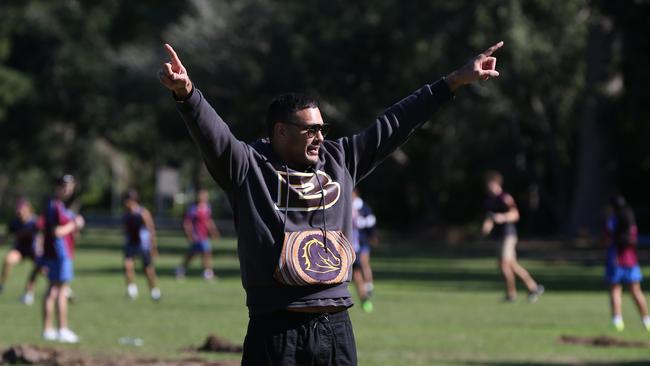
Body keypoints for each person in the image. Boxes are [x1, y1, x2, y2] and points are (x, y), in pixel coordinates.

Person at [159, 40, 504, 365]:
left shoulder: (341, 160)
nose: (320, 137)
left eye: (322, 128)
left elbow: (395, 123)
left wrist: (454, 82)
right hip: (276, 328)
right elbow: (213, 135)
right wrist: (187, 94)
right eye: (310, 130)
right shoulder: (247, 167)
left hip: (336, 326)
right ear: (281, 131)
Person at [481, 171, 544, 303]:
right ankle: (533, 287)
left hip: (508, 235)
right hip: (499, 236)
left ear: (496, 183)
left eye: (490, 184)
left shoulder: (505, 198)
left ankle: (511, 294)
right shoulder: (488, 201)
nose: (489, 187)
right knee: (512, 265)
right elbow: (489, 219)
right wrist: (485, 230)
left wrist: (502, 218)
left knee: (505, 264)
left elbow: (515, 214)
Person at [41, 174, 84, 343]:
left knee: (52, 291)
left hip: (57, 253)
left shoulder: (58, 206)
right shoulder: (56, 206)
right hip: (60, 254)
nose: (68, 190)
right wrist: (75, 224)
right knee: (61, 291)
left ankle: (48, 330)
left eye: (70, 186)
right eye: (65, 186)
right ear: (57, 187)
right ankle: (62, 329)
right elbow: (57, 232)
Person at [604, 196, 650, 331]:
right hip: (631, 260)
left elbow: (606, 239)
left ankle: (617, 321)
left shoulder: (612, 220)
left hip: (616, 259)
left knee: (615, 289)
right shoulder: (630, 220)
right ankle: (646, 320)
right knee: (636, 290)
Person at [0, 199, 43, 305]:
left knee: (43, 270)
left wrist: (40, 247)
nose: (19, 213)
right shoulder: (15, 222)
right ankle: (2, 284)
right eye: (18, 210)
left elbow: (42, 235)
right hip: (20, 249)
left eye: (22, 210)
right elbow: (7, 236)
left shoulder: (35, 222)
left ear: (28, 210)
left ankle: (64, 290)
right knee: (8, 260)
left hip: (34, 250)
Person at [122, 189, 161, 301]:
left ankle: (154, 291)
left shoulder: (143, 213)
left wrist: (153, 246)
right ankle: (132, 290)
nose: (127, 202)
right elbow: (126, 229)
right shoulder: (126, 214)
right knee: (127, 266)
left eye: (129, 200)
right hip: (131, 244)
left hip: (143, 245)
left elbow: (151, 229)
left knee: (148, 270)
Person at [176, 188, 221, 280]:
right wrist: (189, 234)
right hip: (197, 235)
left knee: (192, 254)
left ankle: (181, 270)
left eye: (205, 195)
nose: (204, 197)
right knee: (206, 252)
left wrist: (213, 231)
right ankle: (208, 273)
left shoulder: (207, 207)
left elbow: (208, 221)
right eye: (202, 195)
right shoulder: (194, 208)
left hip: (204, 235)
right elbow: (187, 222)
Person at [350, 189, 378, 313]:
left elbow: (371, 223)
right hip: (350, 246)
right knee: (356, 273)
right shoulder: (343, 206)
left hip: (362, 242)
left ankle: (369, 285)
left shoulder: (362, 207)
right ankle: (364, 299)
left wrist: (372, 236)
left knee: (365, 262)